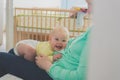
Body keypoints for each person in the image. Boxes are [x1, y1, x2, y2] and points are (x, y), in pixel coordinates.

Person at [0, 0, 92, 80]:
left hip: (51, 74)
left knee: (3, 57)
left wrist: (48, 66)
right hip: (53, 66)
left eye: (90, 4)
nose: (88, 11)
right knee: (13, 52)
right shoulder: (92, 31)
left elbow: (80, 77)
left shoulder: (95, 38)